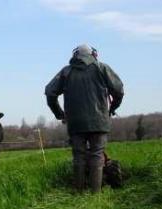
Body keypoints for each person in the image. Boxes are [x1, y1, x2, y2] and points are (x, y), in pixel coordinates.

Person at [45, 44, 124, 193]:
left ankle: (79, 191)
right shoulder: (102, 68)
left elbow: (50, 93)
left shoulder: (66, 72)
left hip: (75, 123)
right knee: (97, 154)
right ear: (94, 54)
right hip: (99, 122)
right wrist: (112, 108)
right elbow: (119, 91)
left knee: (78, 156)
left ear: (75, 55)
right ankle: (95, 194)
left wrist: (59, 114)